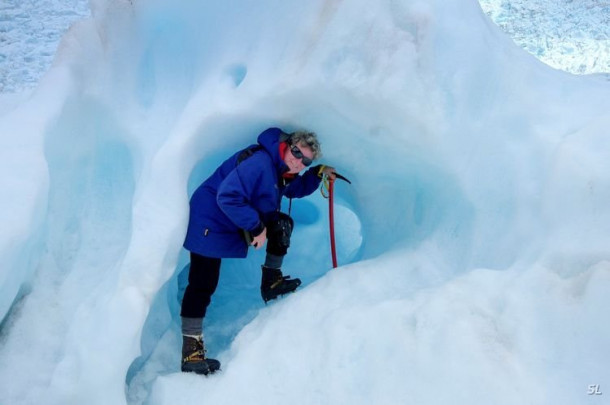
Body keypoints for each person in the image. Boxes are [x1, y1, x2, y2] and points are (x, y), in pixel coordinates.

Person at [180, 127, 336, 375]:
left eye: (305, 160)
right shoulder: (261, 162)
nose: (298, 161)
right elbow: (227, 197)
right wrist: (256, 227)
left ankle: (271, 281)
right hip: (209, 220)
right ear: (288, 145)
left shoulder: (279, 169)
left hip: (228, 219)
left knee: (281, 225)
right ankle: (191, 352)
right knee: (203, 283)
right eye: (296, 152)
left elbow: (293, 189)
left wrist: (317, 173)